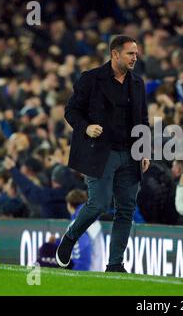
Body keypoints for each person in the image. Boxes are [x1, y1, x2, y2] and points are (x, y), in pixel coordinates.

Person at [56, 35, 150, 273]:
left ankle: (115, 264)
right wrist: (86, 126)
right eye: (130, 53)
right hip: (101, 152)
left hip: (130, 154)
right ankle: (70, 237)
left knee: (126, 209)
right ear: (115, 54)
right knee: (98, 204)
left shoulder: (137, 83)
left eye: (136, 54)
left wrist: (144, 149)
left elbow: (143, 120)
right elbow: (71, 111)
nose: (135, 58)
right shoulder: (91, 79)